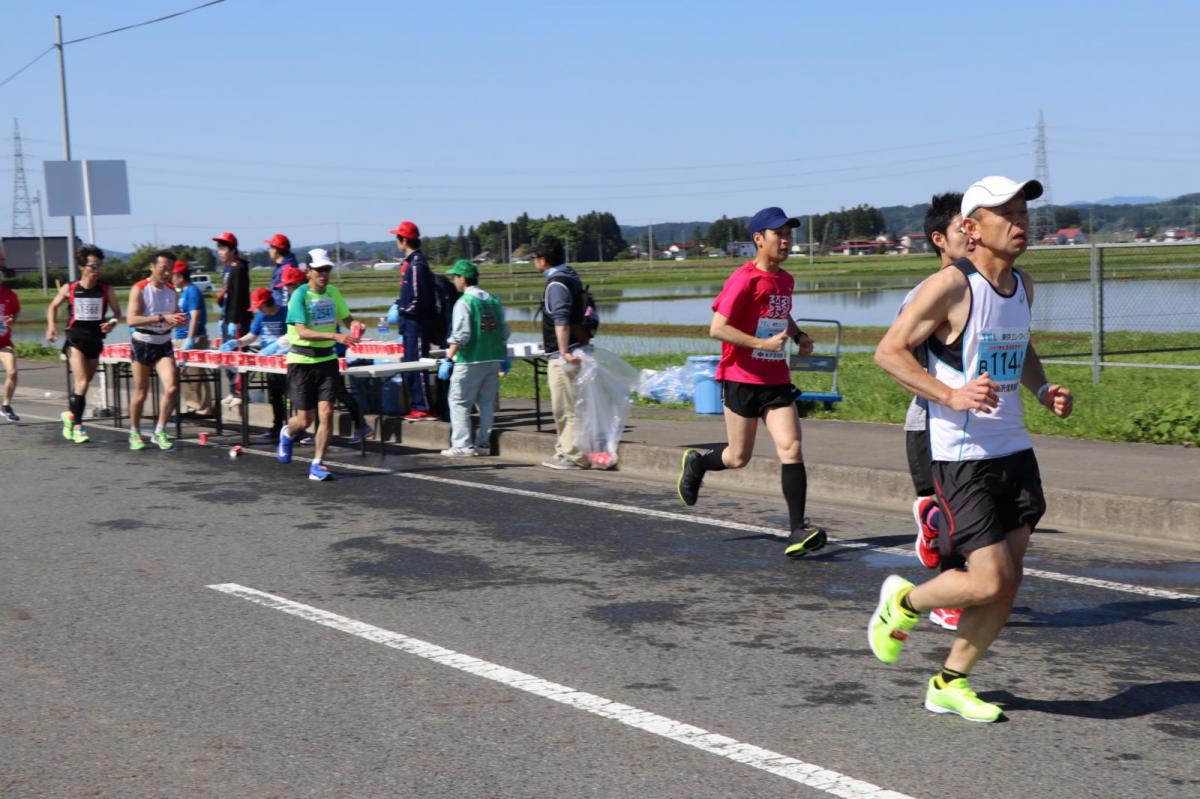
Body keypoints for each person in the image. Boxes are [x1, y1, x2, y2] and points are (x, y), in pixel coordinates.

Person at [870, 176, 1074, 723]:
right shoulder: (951, 287)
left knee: (1009, 580)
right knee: (988, 578)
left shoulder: (1023, 285)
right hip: (962, 455)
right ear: (971, 228)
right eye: (1006, 214)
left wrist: (1041, 389)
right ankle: (903, 602)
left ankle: (949, 682)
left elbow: (1018, 345)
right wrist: (951, 394)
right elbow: (889, 352)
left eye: (1024, 213)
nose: (1021, 223)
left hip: (1014, 449)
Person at [675, 207, 824, 558]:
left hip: (775, 378)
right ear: (759, 239)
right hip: (741, 377)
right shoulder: (743, 279)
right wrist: (761, 344)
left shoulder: (785, 280)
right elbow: (717, 328)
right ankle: (698, 463)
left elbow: (779, 314)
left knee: (791, 447)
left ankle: (797, 530)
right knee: (738, 456)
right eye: (778, 235)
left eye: (789, 235)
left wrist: (798, 335)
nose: (786, 241)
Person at [904, 193, 971, 631]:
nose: (971, 233)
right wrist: (943, 395)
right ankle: (949, 597)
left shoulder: (989, 287)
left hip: (978, 422)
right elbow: (896, 357)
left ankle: (930, 522)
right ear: (939, 240)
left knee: (964, 513)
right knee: (956, 514)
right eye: (962, 227)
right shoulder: (925, 294)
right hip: (929, 424)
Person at [276, 249, 362, 480]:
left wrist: (356, 325)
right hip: (301, 361)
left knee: (327, 412)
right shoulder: (299, 296)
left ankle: (317, 464)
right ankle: (288, 432)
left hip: (327, 360)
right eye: (319, 270)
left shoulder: (333, 292)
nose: (324, 274)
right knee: (306, 420)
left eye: (327, 269)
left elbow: (347, 318)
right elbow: (302, 332)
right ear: (308, 272)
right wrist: (335, 336)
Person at [45, 245, 122, 443]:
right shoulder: (70, 288)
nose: (97, 270)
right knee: (82, 382)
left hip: (95, 339)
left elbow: (117, 313)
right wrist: (51, 327)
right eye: (93, 266)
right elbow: (53, 306)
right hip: (75, 339)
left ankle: (70, 416)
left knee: (84, 384)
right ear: (82, 267)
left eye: (99, 266)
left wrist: (111, 323)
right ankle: (78, 426)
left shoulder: (105, 289)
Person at [438, 260, 509, 457]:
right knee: (486, 403)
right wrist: (503, 355)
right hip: (493, 359)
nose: (454, 280)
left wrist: (448, 358)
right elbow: (504, 331)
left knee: (459, 402)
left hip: (470, 360)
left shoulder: (464, 302)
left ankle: (462, 445)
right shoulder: (494, 300)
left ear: (463, 278)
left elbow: (461, 335)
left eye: (455, 277)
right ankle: (482, 444)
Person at [533, 236, 591, 470]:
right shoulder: (571, 276)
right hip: (578, 348)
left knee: (566, 407)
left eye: (536, 257)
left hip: (564, 355)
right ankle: (563, 449)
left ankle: (574, 455)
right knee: (570, 405)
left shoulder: (556, 284)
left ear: (543, 260)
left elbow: (561, 320)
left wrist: (563, 352)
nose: (535, 262)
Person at [126, 251, 187, 450]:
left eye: (170, 269)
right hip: (142, 342)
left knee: (171, 388)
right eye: (163, 268)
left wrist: (179, 319)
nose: (167, 273)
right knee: (141, 392)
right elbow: (131, 320)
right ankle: (134, 432)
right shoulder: (140, 289)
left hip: (164, 343)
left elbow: (175, 314)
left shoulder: (172, 290)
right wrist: (161, 318)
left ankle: (159, 431)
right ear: (152, 267)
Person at [390, 220, 437, 420]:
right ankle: (417, 406)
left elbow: (419, 299)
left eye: (397, 238)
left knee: (417, 368)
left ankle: (423, 407)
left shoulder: (417, 264)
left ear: (404, 240)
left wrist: (402, 309)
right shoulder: (412, 262)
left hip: (416, 326)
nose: (396, 242)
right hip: (410, 327)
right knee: (410, 367)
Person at [233, 287, 289, 439]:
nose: (258, 309)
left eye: (259, 306)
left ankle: (295, 428)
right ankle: (277, 426)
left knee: (291, 395)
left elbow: (293, 336)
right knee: (274, 395)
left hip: (285, 360)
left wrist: (280, 348)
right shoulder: (260, 316)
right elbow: (252, 336)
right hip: (269, 361)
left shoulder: (286, 313)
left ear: (266, 303)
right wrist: (238, 342)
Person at [212, 231, 251, 405]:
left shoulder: (239, 268)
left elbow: (237, 297)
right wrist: (223, 316)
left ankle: (240, 393)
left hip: (238, 320)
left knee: (238, 355)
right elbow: (227, 297)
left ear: (233, 250)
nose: (220, 252)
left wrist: (234, 320)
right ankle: (233, 390)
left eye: (223, 248)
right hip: (227, 317)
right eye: (219, 248)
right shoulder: (227, 269)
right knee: (227, 356)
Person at [171, 261, 213, 416]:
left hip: (194, 337)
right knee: (186, 374)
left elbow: (195, 316)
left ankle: (204, 408)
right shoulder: (183, 292)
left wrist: (190, 339)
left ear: (180, 276)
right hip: (181, 336)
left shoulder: (192, 291)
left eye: (173, 276)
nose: (172, 279)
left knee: (196, 373)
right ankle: (192, 406)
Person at [0, 269, 21, 421]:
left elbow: (16, 312)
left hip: (4, 343)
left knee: (12, 372)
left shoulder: (9, 295)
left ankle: (6, 406)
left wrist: (12, 320)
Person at [265, 233, 298, 308]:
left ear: (276, 250)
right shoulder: (281, 266)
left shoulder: (287, 270)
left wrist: (282, 312)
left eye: (270, 247)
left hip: (282, 310)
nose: (269, 250)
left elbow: (285, 296)